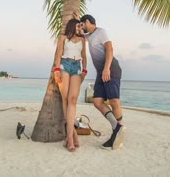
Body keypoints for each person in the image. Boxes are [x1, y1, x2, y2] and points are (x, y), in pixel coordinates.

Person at [79, 14, 126, 150]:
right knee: (97, 102)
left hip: (110, 69)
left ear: (87, 21)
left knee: (114, 101)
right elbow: (82, 35)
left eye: (82, 24)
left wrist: (106, 68)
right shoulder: (89, 36)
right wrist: (77, 19)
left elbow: (110, 48)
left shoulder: (101, 32)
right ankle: (117, 128)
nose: (82, 27)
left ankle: (117, 134)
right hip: (101, 72)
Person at [53, 18, 87, 152]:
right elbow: (58, 54)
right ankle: (71, 137)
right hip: (64, 65)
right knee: (66, 99)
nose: (80, 29)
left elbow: (84, 56)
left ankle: (71, 136)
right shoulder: (63, 38)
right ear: (72, 26)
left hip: (76, 67)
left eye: (81, 27)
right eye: (78, 26)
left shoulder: (83, 40)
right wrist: (56, 70)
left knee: (73, 100)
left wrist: (84, 70)